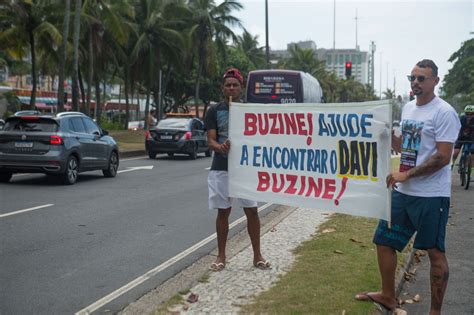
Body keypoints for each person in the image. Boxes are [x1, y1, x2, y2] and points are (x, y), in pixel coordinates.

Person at [355, 59, 461, 314]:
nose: (415, 83)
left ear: (435, 81)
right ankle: (388, 296)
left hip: (430, 196)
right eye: (412, 78)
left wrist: (407, 175)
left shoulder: (444, 112)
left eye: (421, 78)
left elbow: (442, 157)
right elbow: (409, 150)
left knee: (434, 253)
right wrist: (391, 138)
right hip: (404, 193)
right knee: (384, 240)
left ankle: (434, 311)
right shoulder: (408, 109)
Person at [204, 68, 270, 272]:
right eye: (228, 85)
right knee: (223, 212)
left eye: (235, 85)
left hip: (245, 168)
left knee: (252, 210)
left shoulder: (250, 110)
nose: (231, 88)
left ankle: (257, 255)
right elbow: (211, 140)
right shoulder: (214, 111)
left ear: (241, 88)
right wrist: (220, 147)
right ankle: (221, 256)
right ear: (222, 88)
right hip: (221, 167)